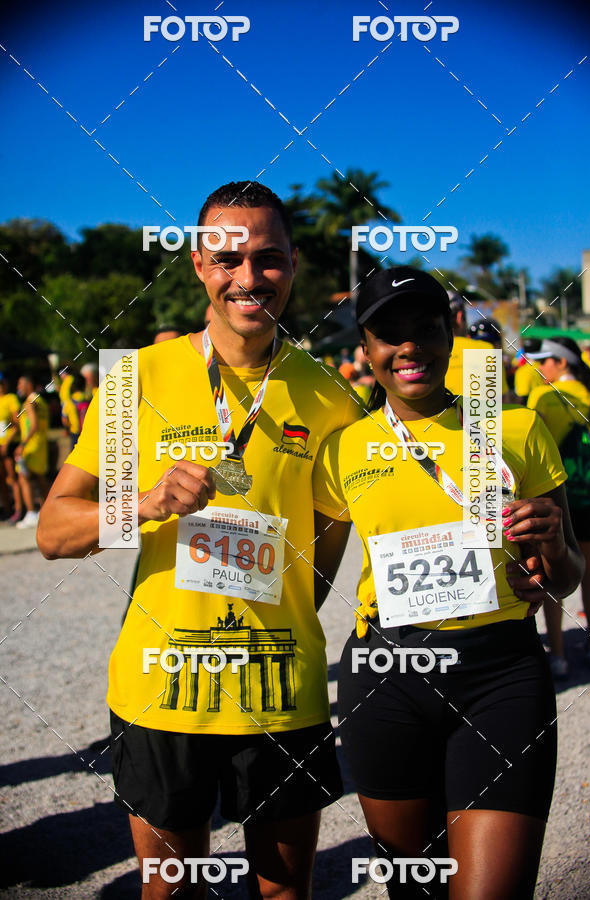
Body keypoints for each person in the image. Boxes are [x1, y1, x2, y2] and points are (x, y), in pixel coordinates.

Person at [38, 181, 363, 899]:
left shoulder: (330, 396)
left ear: (295, 264)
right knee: (173, 891)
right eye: (228, 258)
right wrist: (145, 503)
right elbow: (55, 531)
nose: (249, 278)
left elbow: (335, 530)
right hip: (163, 693)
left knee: (284, 893)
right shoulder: (138, 380)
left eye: (269, 259)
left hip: (283, 692)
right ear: (197, 263)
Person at [312, 266, 583, 898]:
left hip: (501, 677)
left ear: (451, 331)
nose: (409, 347)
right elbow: (313, 582)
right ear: (367, 350)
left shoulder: (515, 428)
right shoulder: (344, 449)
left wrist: (550, 550)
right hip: (385, 678)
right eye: (389, 335)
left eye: (425, 328)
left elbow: (567, 577)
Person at [527, 337, 590, 674]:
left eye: (546, 361)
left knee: (553, 569)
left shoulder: (542, 396)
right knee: (589, 569)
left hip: (555, 496)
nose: (540, 368)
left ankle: (557, 655)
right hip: (589, 494)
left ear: (562, 363)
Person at [445, 296, 509, 399]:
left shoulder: (430, 352)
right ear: (460, 317)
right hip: (478, 414)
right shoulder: (486, 350)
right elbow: (500, 400)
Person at [15, 375, 49, 529]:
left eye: (21, 384)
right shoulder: (40, 400)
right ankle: (48, 510)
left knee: (23, 478)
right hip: (40, 445)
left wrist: (22, 444)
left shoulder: (29, 402)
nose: (18, 387)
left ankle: (30, 513)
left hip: (31, 445)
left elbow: (33, 425)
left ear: (29, 385)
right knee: (40, 479)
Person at [0, 376, 22, 522]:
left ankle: (19, 510)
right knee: (1, 479)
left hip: (8, 443)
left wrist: (7, 443)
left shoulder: (11, 398)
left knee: (12, 477)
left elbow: (17, 423)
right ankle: (7, 509)